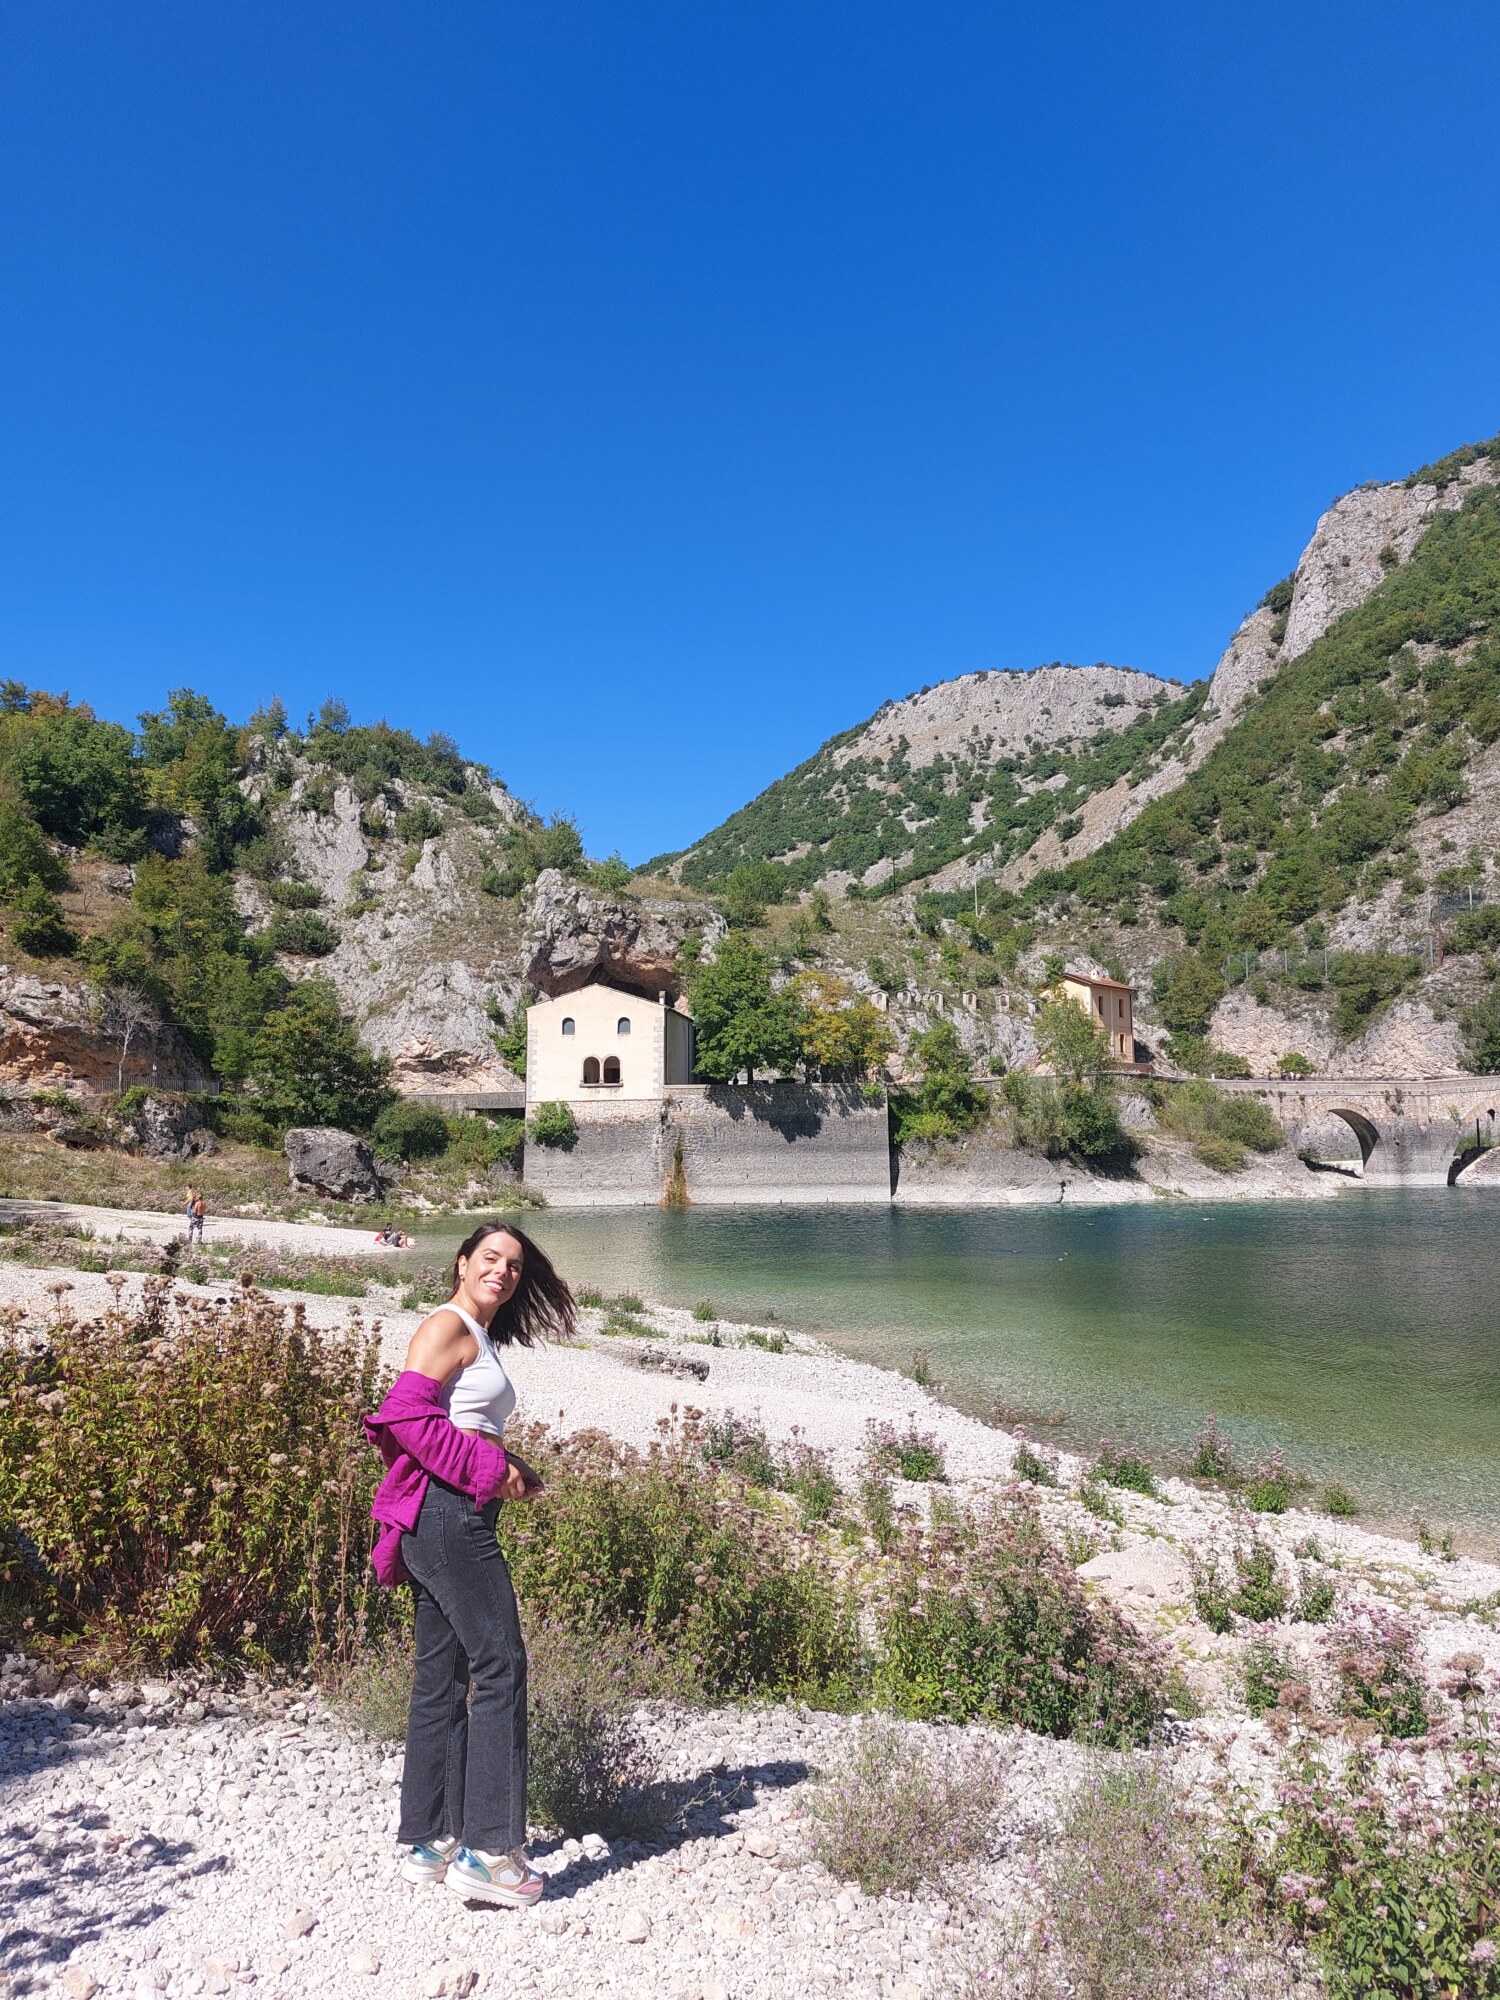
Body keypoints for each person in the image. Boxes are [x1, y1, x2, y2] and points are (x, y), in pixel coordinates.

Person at [365, 1221, 576, 1908]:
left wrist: (508, 1468)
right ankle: (490, 1853)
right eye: (491, 1258)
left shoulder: (476, 1334)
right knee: (500, 1665)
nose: (504, 1271)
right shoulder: (447, 1326)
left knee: (444, 1673)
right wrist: (493, 1469)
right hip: (450, 1517)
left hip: (445, 1516)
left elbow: (456, 1425)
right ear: (461, 1263)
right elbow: (400, 1420)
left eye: (514, 1264)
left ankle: (432, 1841)